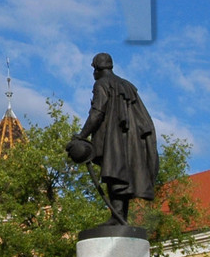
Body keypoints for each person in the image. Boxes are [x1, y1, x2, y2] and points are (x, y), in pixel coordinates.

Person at [68, 52, 159, 227]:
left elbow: (97, 112)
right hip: (131, 139)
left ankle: (117, 217)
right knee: (121, 176)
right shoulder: (127, 85)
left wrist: (82, 135)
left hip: (113, 139)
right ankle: (120, 217)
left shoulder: (101, 84)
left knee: (114, 174)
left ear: (97, 69)